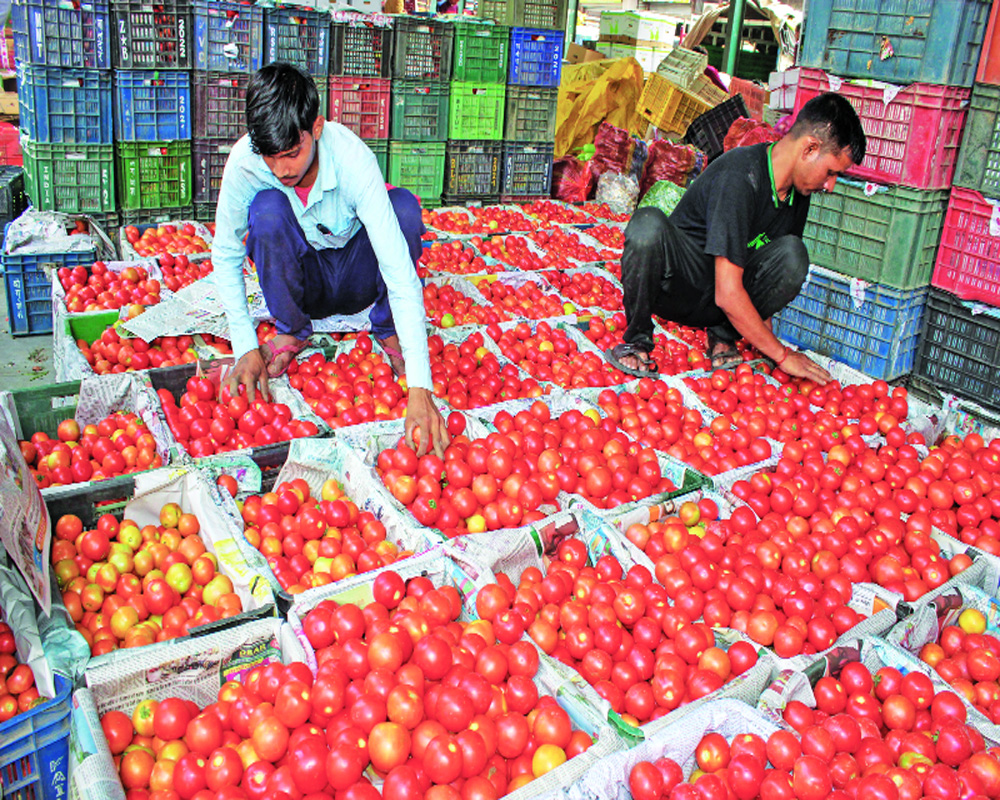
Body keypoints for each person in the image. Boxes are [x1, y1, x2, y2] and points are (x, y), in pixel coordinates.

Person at [211, 63, 448, 456]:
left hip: (357, 277)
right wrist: (245, 347)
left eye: (291, 154)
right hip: (306, 283)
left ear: (316, 128)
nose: (281, 169)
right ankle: (292, 328)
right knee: (267, 212)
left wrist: (420, 388)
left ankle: (388, 330)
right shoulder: (245, 162)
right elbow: (225, 252)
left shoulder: (353, 158)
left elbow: (399, 272)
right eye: (271, 157)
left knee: (404, 209)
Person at [608, 92, 866, 385]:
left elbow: (770, 271)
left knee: (793, 254)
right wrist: (781, 355)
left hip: (719, 305)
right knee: (648, 224)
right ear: (809, 148)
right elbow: (728, 292)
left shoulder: (798, 193)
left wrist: (769, 351)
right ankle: (637, 340)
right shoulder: (740, 175)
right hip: (678, 288)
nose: (830, 185)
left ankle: (722, 336)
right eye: (831, 172)